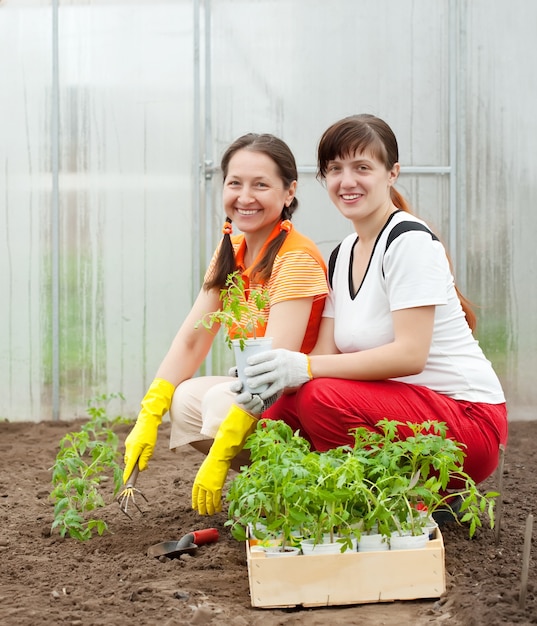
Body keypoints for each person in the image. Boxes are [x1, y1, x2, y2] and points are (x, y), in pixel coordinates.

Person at [232, 113, 508, 496]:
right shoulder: (342, 254)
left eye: (362, 167)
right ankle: (300, 502)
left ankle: (388, 501)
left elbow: (411, 355)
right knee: (276, 417)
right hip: (404, 412)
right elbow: (325, 353)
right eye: (335, 169)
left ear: (392, 173)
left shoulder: (408, 242)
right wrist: (269, 382)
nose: (347, 181)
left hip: (465, 423)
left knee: (319, 397)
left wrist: (303, 367)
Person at [122, 133, 328, 512]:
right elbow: (192, 341)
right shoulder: (233, 249)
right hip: (266, 397)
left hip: (303, 399)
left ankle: (307, 479)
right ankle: (278, 480)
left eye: (260, 185)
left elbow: (273, 370)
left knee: (218, 401)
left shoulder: (295, 258)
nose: (244, 197)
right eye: (235, 183)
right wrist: (149, 413)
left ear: (289, 192)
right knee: (184, 400)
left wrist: (219, 456)